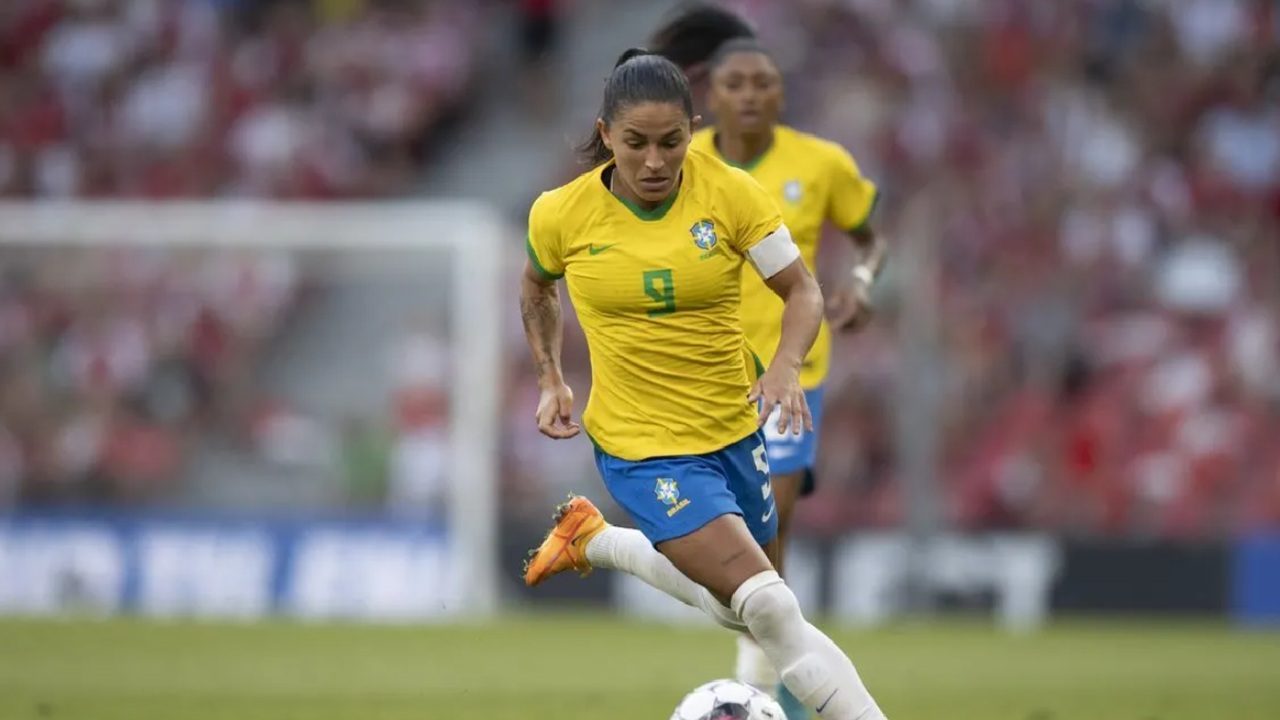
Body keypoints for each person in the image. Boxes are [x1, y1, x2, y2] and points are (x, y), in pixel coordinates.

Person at [520, 47, 888, 720]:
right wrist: (550, 377)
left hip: (733, 430)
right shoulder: (560, 214)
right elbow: (538, 289)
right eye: (636, 144)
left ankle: (595, 540)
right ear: (606, 135)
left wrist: (783, 366)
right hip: (641, 447)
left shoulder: (732, 194)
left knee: (746, 608)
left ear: (693, 128)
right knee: (770, 603)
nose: (655, 162)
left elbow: (801, 289)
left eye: (671, 142)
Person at [649, 8, 887, 719]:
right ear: (710, 95)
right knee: (724, 537)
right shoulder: (681, 159)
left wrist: (865, 283)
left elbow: (871, 238)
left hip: (788, 371)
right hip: (701, 370)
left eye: (765, 83)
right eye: (736, 83)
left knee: (767, 529)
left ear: (782, 95)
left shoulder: (822, 163)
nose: (751, 94)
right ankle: (772, 667)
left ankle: (757, 683)